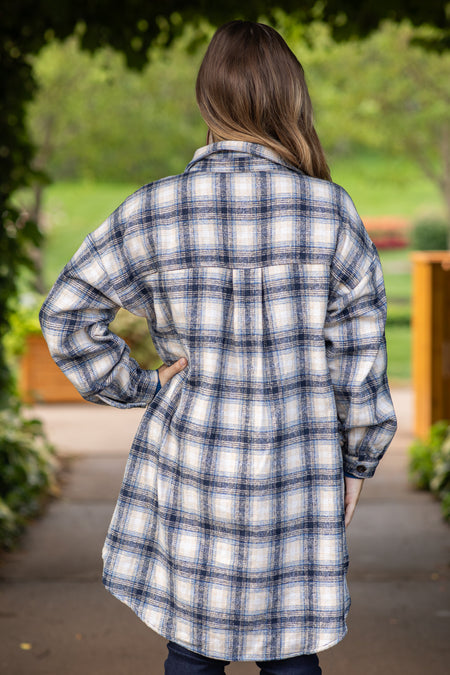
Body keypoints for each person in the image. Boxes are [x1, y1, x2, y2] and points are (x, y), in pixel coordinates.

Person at [39, 19, 397, 675]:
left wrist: (142, 385)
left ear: (210, 100)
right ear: (291, 100)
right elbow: (362, 363)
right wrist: (358, 461)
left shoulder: (153, 209)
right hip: (298, 472)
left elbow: (66, 313)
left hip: (190, 471)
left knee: (191, 647)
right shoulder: (331, 213)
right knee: (292, 654)